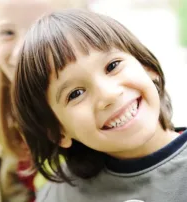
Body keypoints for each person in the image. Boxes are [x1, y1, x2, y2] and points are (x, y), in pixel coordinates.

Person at [12, 9, 187, 202]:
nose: (108, 94)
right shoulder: (60, 195)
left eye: (112, 66)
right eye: (76, 94)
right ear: (58, 131)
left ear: (147, 67)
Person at [0, 0, 88, 199]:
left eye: (42, 29)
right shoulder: (4, 125)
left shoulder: (103, 125)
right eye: (7, 33)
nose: (19, 52)